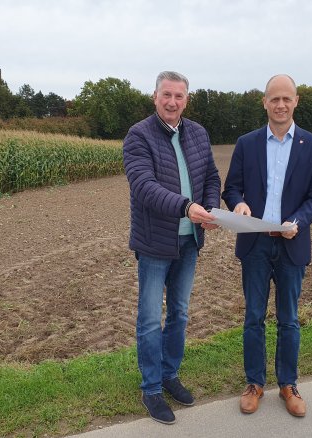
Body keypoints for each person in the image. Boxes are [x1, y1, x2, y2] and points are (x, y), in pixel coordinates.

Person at [221, 74, 312, 417]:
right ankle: (254, 383)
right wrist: (237, 204)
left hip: (291, 245)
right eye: (274, 99)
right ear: (264, 103)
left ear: (296, 101)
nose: (280, 105)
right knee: (253, 317)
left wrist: (297, 221)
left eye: (286, 99)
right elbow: (231, 187)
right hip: (254, 244)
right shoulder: (247, 143)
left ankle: (288, 384)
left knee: (289, 319)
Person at [122, 71, 221, 424]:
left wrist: (208, 209)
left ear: (186, 100)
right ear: (155, 96)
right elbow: (143, 186)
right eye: (166, 95)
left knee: (178, 312)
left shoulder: (197, 133)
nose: (172, 102)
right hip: (154, 243)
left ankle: (169, 374)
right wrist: (185, 207)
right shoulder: (139, 135)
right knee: (150, 319)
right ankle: (151, 389)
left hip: (189, 240)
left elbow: (211, 176)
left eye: (179, 96)